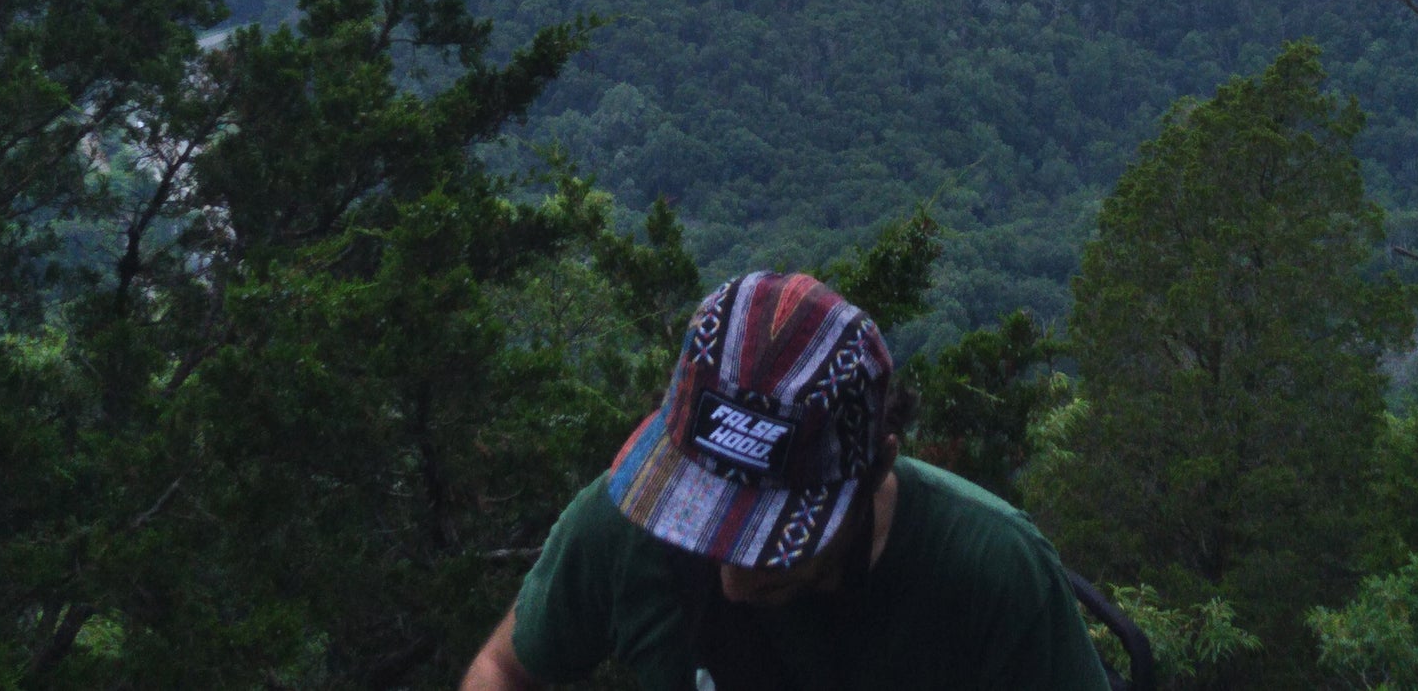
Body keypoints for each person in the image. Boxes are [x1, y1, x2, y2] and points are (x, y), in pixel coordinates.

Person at [461, 271, 1111, 690]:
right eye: (706, 523)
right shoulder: (629, 526)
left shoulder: (990, 573)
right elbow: (503, 668)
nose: (733, 580)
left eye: (771, 539)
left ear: (878, 463)